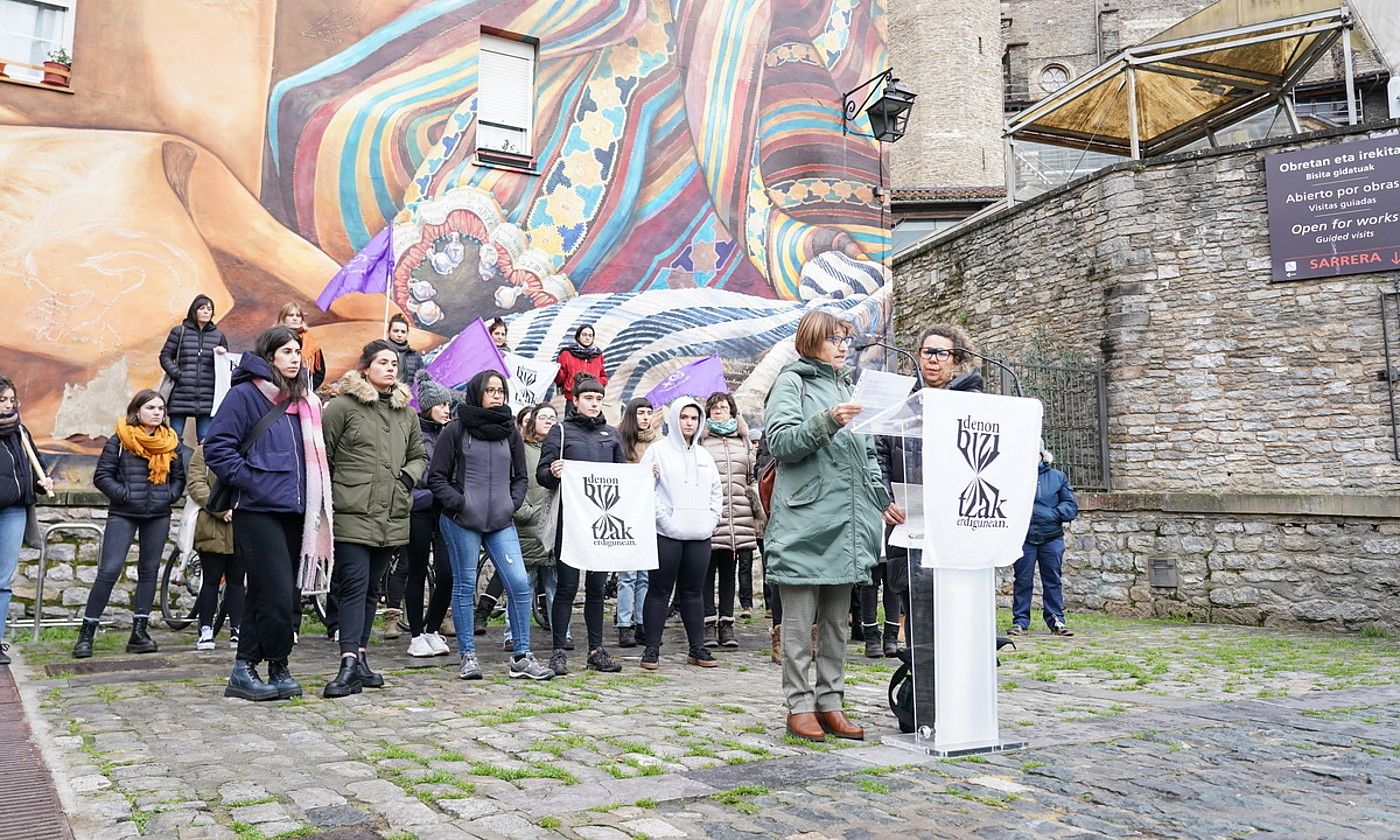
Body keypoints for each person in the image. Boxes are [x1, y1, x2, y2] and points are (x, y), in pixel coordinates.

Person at [763, 309, 899, 743]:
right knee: (800, 626)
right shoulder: (792, 382)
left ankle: (831, 703)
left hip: (849, 524)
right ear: (811, 342)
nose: (844, 347)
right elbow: (781, 443)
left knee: (840, 624)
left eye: (847, 340)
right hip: (806, 522)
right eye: (835, 339)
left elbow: (868, 455)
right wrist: (827, 420)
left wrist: (884, 500)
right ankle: (799, 707)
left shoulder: (848, 387)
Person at [205, 326, 334, 702]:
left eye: (298, 351)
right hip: (259, 509)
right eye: (287, 351)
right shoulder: (245, 395)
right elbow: (217, 447)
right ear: (269, 356)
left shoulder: (305, 402)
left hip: (297, 509)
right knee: (275, 592)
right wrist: (254, 482)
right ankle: (272, 662)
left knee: (276, 594)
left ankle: (253, 669)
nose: (295, 358)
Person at [428, 370, 554, 681]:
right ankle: (468, 656)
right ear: (476, 393)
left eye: (501, 390)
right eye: (491, 390)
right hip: (461, 521)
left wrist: (510, 503)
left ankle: (522, 656)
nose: (497, 396)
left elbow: (521, 476)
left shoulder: (509, 432)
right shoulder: (455, 430)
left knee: (519, 584)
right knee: (465, 585)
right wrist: (459, 502)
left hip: (500, 520)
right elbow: (437, 477)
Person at [321, 340, 427, 697]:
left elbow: (418, 455)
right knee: (353, 585)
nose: (391, 368)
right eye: (383, 362)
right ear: (365, 367)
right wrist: (348, 488)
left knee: (371, 590)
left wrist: (405, 480)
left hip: (391, 513)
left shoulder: (406, 413)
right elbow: (325, 456)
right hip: (353, 510)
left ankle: (361, 658)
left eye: (394, 363)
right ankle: (347, 661)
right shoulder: (341, 407)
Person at [877, 323, 982, 646]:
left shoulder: (974, 402)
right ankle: (919, 687)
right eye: (927, 352)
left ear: (956, 359)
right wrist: (883, 497)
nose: (933, 360)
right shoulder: (901, 401)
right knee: (914, 606)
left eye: (941, 353)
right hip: (909, 519)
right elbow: (878, 453)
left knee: (953, 613)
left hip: (955, 521)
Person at [75, 390, 186, 659]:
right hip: (123, 513)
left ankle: (139, 633)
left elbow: (179, 479)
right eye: (151, 408)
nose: (157, 413)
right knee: (109, 570)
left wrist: (168, 496)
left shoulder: (172, 443)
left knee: (149, 572)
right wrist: (124, 494)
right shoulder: (120, 440)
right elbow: (102, 476)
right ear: (136, 411)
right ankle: (86, 634)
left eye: (160, 408)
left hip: (158, 514)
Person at [537, 374, 625, 674]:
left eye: (599, 399)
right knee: (567, 587)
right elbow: (542, 476)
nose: (594, 403)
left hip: (600, 525)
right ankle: (559, 651)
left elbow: (622, 478)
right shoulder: (560, 432)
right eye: (588, 398)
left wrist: (644, 476)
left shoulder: (611, 435)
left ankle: (596, 650)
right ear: (575, 400)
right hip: (569, 523)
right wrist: (554, 471)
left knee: (597, 589)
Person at [638, 398, 722, 670]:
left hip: (699, 535)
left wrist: (711, 521)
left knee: (693, 592)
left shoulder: (705, 456)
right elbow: (647, 489)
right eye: (684, 417)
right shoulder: (657, 451)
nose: (689, 423)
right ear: (674, 419)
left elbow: (716, 493)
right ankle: (651, 649)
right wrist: (665, 521)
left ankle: (697, 648)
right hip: (666, 535)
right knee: (659, 591)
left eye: (694, 418)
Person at [502, 403, 569, 653]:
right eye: (543, 417)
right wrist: (523, 512)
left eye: (553, 417)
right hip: (527, 526)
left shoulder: (562, 451)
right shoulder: (520, 450)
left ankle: (563, 632)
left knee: (556, 584)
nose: (549, 421)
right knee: (522, 585)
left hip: (554, 527)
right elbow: (512, 483)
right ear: (532, 422)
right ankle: (512, 634)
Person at [699, 392, 762, 649]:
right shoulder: (701, 441)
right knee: (705, 573)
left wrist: (755, 507)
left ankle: (727, 625)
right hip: (710, 516)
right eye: (714, 408)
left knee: (729, 572)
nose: (718, 412)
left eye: (723, 408)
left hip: (738, 516)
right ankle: (708, 625)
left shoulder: (743, 440)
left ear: (732, 411)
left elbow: (751, 477)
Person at [0, 378, 54, 666]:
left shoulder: (19, 431)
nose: (9, 405)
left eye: (11, 399)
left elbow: (34, 467)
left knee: (3, 580)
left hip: (14, 511)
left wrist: (42, 480)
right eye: (2, 400)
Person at [404, 371, 456, 658]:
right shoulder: (414, 434)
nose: (446, 410)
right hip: (421, 509)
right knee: (417, 570)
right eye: (441, 405)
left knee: (448, 572)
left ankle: (432, 628)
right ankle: (415, 635)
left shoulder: (451, 433)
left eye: (448, 405)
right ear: (427, 406)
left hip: (446, 512)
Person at [1011, 445, 1080, 637]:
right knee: (1022, 580)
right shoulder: (1015, 478)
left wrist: (1052, 513)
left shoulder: (1057, 477)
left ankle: (1056, 620)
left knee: (1052, 580)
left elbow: (1070, 506)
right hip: (1024, 538)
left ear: (1042, 455)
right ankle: (1020, 622)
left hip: (1051, 538)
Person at [187, 444, 245, 651]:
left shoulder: (249, 446)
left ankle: (237, 629)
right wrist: (220, 509)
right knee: (211, 579)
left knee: (237, 581)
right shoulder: (204, 451)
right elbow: (196, 484)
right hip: (212, 526)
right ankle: (205, 629)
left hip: (242, 524)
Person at [614, 397, 660, 647]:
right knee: (628, 574)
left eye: (649, 412)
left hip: (650, 514)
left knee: (645, 575)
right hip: (627, 513)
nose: (645, 417)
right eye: (640, 412)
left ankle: (643, 623)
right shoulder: (620, 441)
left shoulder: (660, 443)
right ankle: (624, 624)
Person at [160, 294, 229, 444]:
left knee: (204, 441)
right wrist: (178, 374)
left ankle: (199, 468)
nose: (206, 311)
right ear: (194, 311)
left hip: (207, 396)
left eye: (209, 309)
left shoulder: (218, 336)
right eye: (202, 308)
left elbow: (225, 366)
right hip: (180, 394)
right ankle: (173, 468)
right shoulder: (180, 332)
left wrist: (222, 354)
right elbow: (165, 356)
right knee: (174, 439)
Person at [553, 324, 607, 406]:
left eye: (590, 335)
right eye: (584, 335)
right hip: (573, 399)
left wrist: (596, 382)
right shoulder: (567, 354)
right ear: (578, 336)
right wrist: (556, 370)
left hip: (592, 399)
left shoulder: (598, 356)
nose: (587, 338)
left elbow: (603, 376)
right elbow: (561, 379)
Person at [278, 302, 326, 389]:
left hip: (304, 390)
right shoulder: (274, 337)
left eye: (298, 315)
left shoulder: (311, 340)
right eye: (291, 315)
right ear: (283, 318)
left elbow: (320, 371)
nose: (295, 318)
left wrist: (307, 388)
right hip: (279, 388)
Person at [386, 313, 423, 386]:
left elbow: (421, 380)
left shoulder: (415, 355)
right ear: (389, 332)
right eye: (395, 331)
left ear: (407, 334)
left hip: (407, 395)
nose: (399, 335)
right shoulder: (379, 350)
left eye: (403, 332)